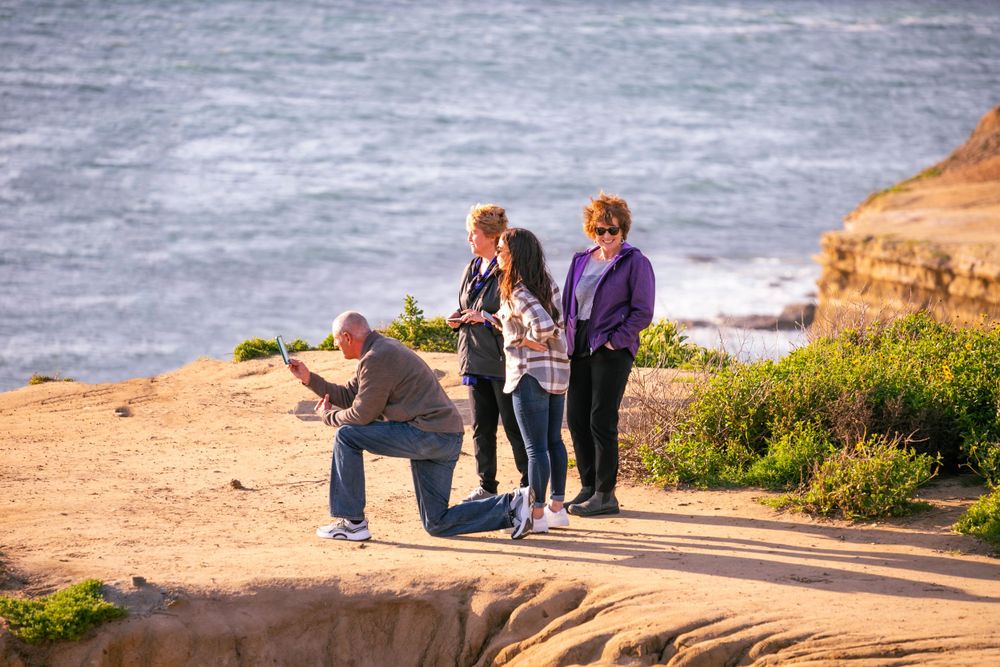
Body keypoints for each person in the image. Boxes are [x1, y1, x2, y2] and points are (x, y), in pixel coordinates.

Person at [286, 311, 535, 541]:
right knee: (436, 522)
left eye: (336, 340)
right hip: (442, 436)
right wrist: (308, 379)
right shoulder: (379, 350)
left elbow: (361, 415)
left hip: (429, 435)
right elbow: (349, 395)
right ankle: (512, 506)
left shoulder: (377, 358)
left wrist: (328, 417)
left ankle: (353, 523)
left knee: (347, 436)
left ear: (347, 337)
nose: (335, 345)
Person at [562, 192, 655, 517]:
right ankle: (588, 487)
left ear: (623, 230)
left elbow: (643, 311)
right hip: (580, 344)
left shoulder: (635, 262)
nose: (606, 236)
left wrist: (616, 341)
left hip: (611, 348)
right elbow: (568, 305)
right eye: (600, 230)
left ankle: (606, 494)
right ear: (592, 229)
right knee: (577, 418)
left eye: (612, 230)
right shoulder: (581, 260)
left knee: (601, 419)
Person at [447, 204, 529, 502]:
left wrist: (486, 319)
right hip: (473, 358)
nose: (469, 238)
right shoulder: (471, 268)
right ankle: (486, 484)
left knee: (513, 427)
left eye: (474, 233)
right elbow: (467, 304)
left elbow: (518, 316)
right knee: (481, 427)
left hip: (501, 360)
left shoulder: (508, 269)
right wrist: (458, 318)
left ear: (492, 236)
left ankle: (529, 485)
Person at [495, 228, 571, 533]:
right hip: (557, 373)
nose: (498, 255)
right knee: (554, 442)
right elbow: (558, 324)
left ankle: (536, 515)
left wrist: (523, 339)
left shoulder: (517, 290)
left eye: (501, 250)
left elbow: (543, 325)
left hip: (529, 374)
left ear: (514, 255)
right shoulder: (547, 283)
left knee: (534, 449)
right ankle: (557, 508)